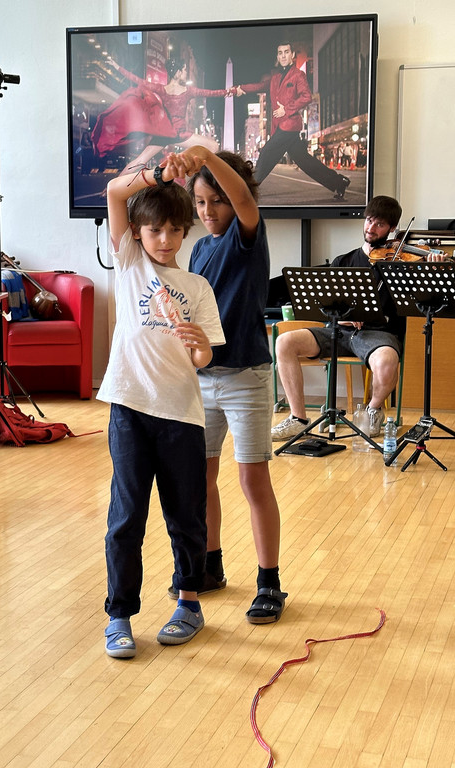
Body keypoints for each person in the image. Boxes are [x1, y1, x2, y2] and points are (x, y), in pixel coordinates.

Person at [98, 157, 225, 658]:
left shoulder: (198, 288)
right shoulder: (130, 263)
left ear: (185, 231)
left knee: (185, 515)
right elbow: (115, 191)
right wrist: (161, 175)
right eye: (155, 230)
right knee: (126, 516)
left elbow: (202, 359)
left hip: (181, 414)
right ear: (137, 232)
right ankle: (119, 616)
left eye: (175, 230)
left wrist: (201, 347)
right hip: (129, 409)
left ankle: (189, 603)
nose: (165, 240)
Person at [165, 145, 287, 625]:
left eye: (216, 201)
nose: (207, 211)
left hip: (245, 378)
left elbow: (243, 200)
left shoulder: (246, 233)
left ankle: (269, 582)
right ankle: (209, 565)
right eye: (199, 202)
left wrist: (206, 158)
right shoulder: (199, 249)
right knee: (201, 478)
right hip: (202, 380)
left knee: (252, 480)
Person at [271, 195, 446, 442]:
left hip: (379, 334)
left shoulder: (401, 265)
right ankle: (298, 418)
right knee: (284, 342)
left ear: (392, 228)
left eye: (380, 224)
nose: (371, 228)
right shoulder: (343, 261)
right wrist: (342, 318)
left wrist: (432, 269)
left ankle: (373, 410)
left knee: (387, 361)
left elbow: (424, 300)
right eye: (369, 220)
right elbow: (324, 308)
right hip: (338, 332)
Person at [234, 42, 350, 199]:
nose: (283, 55)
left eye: (286, 52)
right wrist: (241, 88)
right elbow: (259, 86)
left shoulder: (298, 75)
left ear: (292, 55)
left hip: (290, 125)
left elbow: (307, 97)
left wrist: (286, 109)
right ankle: (339, 182)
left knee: (267, 152)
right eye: (280, 52)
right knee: (304, 161)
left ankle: (248, 190)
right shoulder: (275, 78)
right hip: (280, 126)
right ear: (277, 56)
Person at [93, 56, 227, 175]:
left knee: (139, 161)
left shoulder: (160, 89)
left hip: (163, 135)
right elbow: (211, 93)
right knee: (214, 146)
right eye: (185, 70)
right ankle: (205, 179)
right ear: (178, 72)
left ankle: (110, 188)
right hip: (179, 134)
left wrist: (117, 67)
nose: (186, 73)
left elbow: (137, 80)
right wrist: (231, 91)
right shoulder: (188, 91)